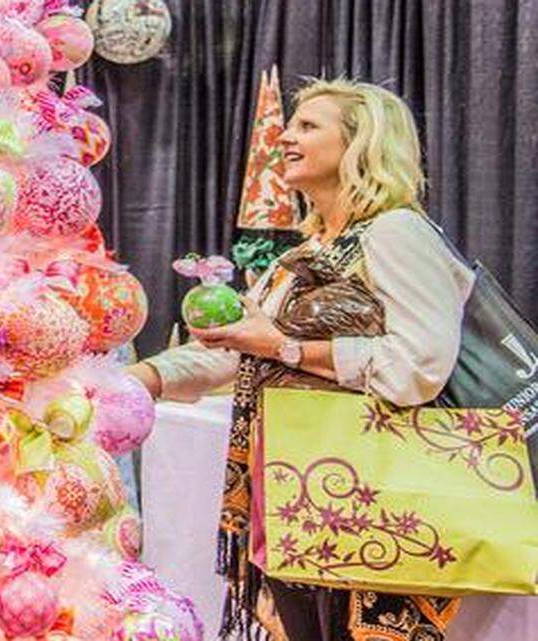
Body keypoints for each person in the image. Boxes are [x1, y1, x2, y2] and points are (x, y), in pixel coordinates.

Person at [129, 78, 474, 641]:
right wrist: (142, 378)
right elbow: (236, 351)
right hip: (298, 490)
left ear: (362, 144)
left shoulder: (394, 232)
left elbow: (418, 368)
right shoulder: (304, 253)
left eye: (308, 126)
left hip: (371, 495)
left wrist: (287, 348)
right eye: (290, 124)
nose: (286, 137)